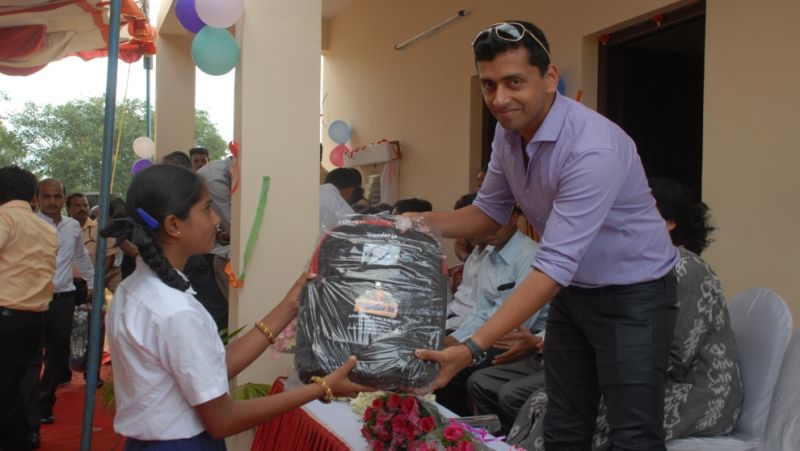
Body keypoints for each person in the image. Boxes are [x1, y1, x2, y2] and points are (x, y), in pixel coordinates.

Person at [412, 21, 678, 450]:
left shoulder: (593, 148)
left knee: (632, 434)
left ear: (550, 77)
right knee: (564, 422)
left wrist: (470, 348)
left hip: (634, 294)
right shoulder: (507, 132)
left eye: (514, 82)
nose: (500, 99)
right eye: (489, 85)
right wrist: (411, 223)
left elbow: (551, 266)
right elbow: (487, 212)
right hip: (575, 290)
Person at [100, 164, 369, 448]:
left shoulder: (135, 288)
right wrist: (322, 387)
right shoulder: (173, 310)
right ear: (173, 225)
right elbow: (223, 420)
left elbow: (211, 369)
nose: (216, 219)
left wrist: (291, 304)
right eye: (206, 209)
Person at [506, 178, 743, 449]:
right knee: (548, 401)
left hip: (697, 393)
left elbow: (674, 358)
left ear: (669, 223)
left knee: (577, 412)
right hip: (644, 382)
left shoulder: (687, 269)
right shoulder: (636, 267)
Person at [436, 208, 548, 416]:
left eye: (498, 219)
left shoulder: (530, 255)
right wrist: (453, 340)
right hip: (491, 335)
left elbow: (517, 321)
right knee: (438, 357)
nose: (488, 228)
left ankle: (467, 435)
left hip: (521, 339)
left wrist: (466, 346)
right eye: (484, 221)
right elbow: (479, 312)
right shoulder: (488, 257)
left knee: (453, 369)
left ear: (515, 217)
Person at [0, 165, 58, 451]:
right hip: (34, 319)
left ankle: (20, 440)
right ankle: (25, 438)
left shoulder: (4, 219)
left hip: (5, 318)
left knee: (7, 390)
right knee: (17, 385)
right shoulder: (47, 229)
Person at [32, 178, 95, 425]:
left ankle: (44, 404)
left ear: (63, 198)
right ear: (36, 198)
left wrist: (92, 282)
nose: (52, 202)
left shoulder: (71, 226)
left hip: (63, 300)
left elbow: (81, 256)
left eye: (57, 196)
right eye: (46, 197)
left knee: (58, 357)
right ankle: (28, 409)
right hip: (33, 299)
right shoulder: (29, 224)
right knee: (32, 356)